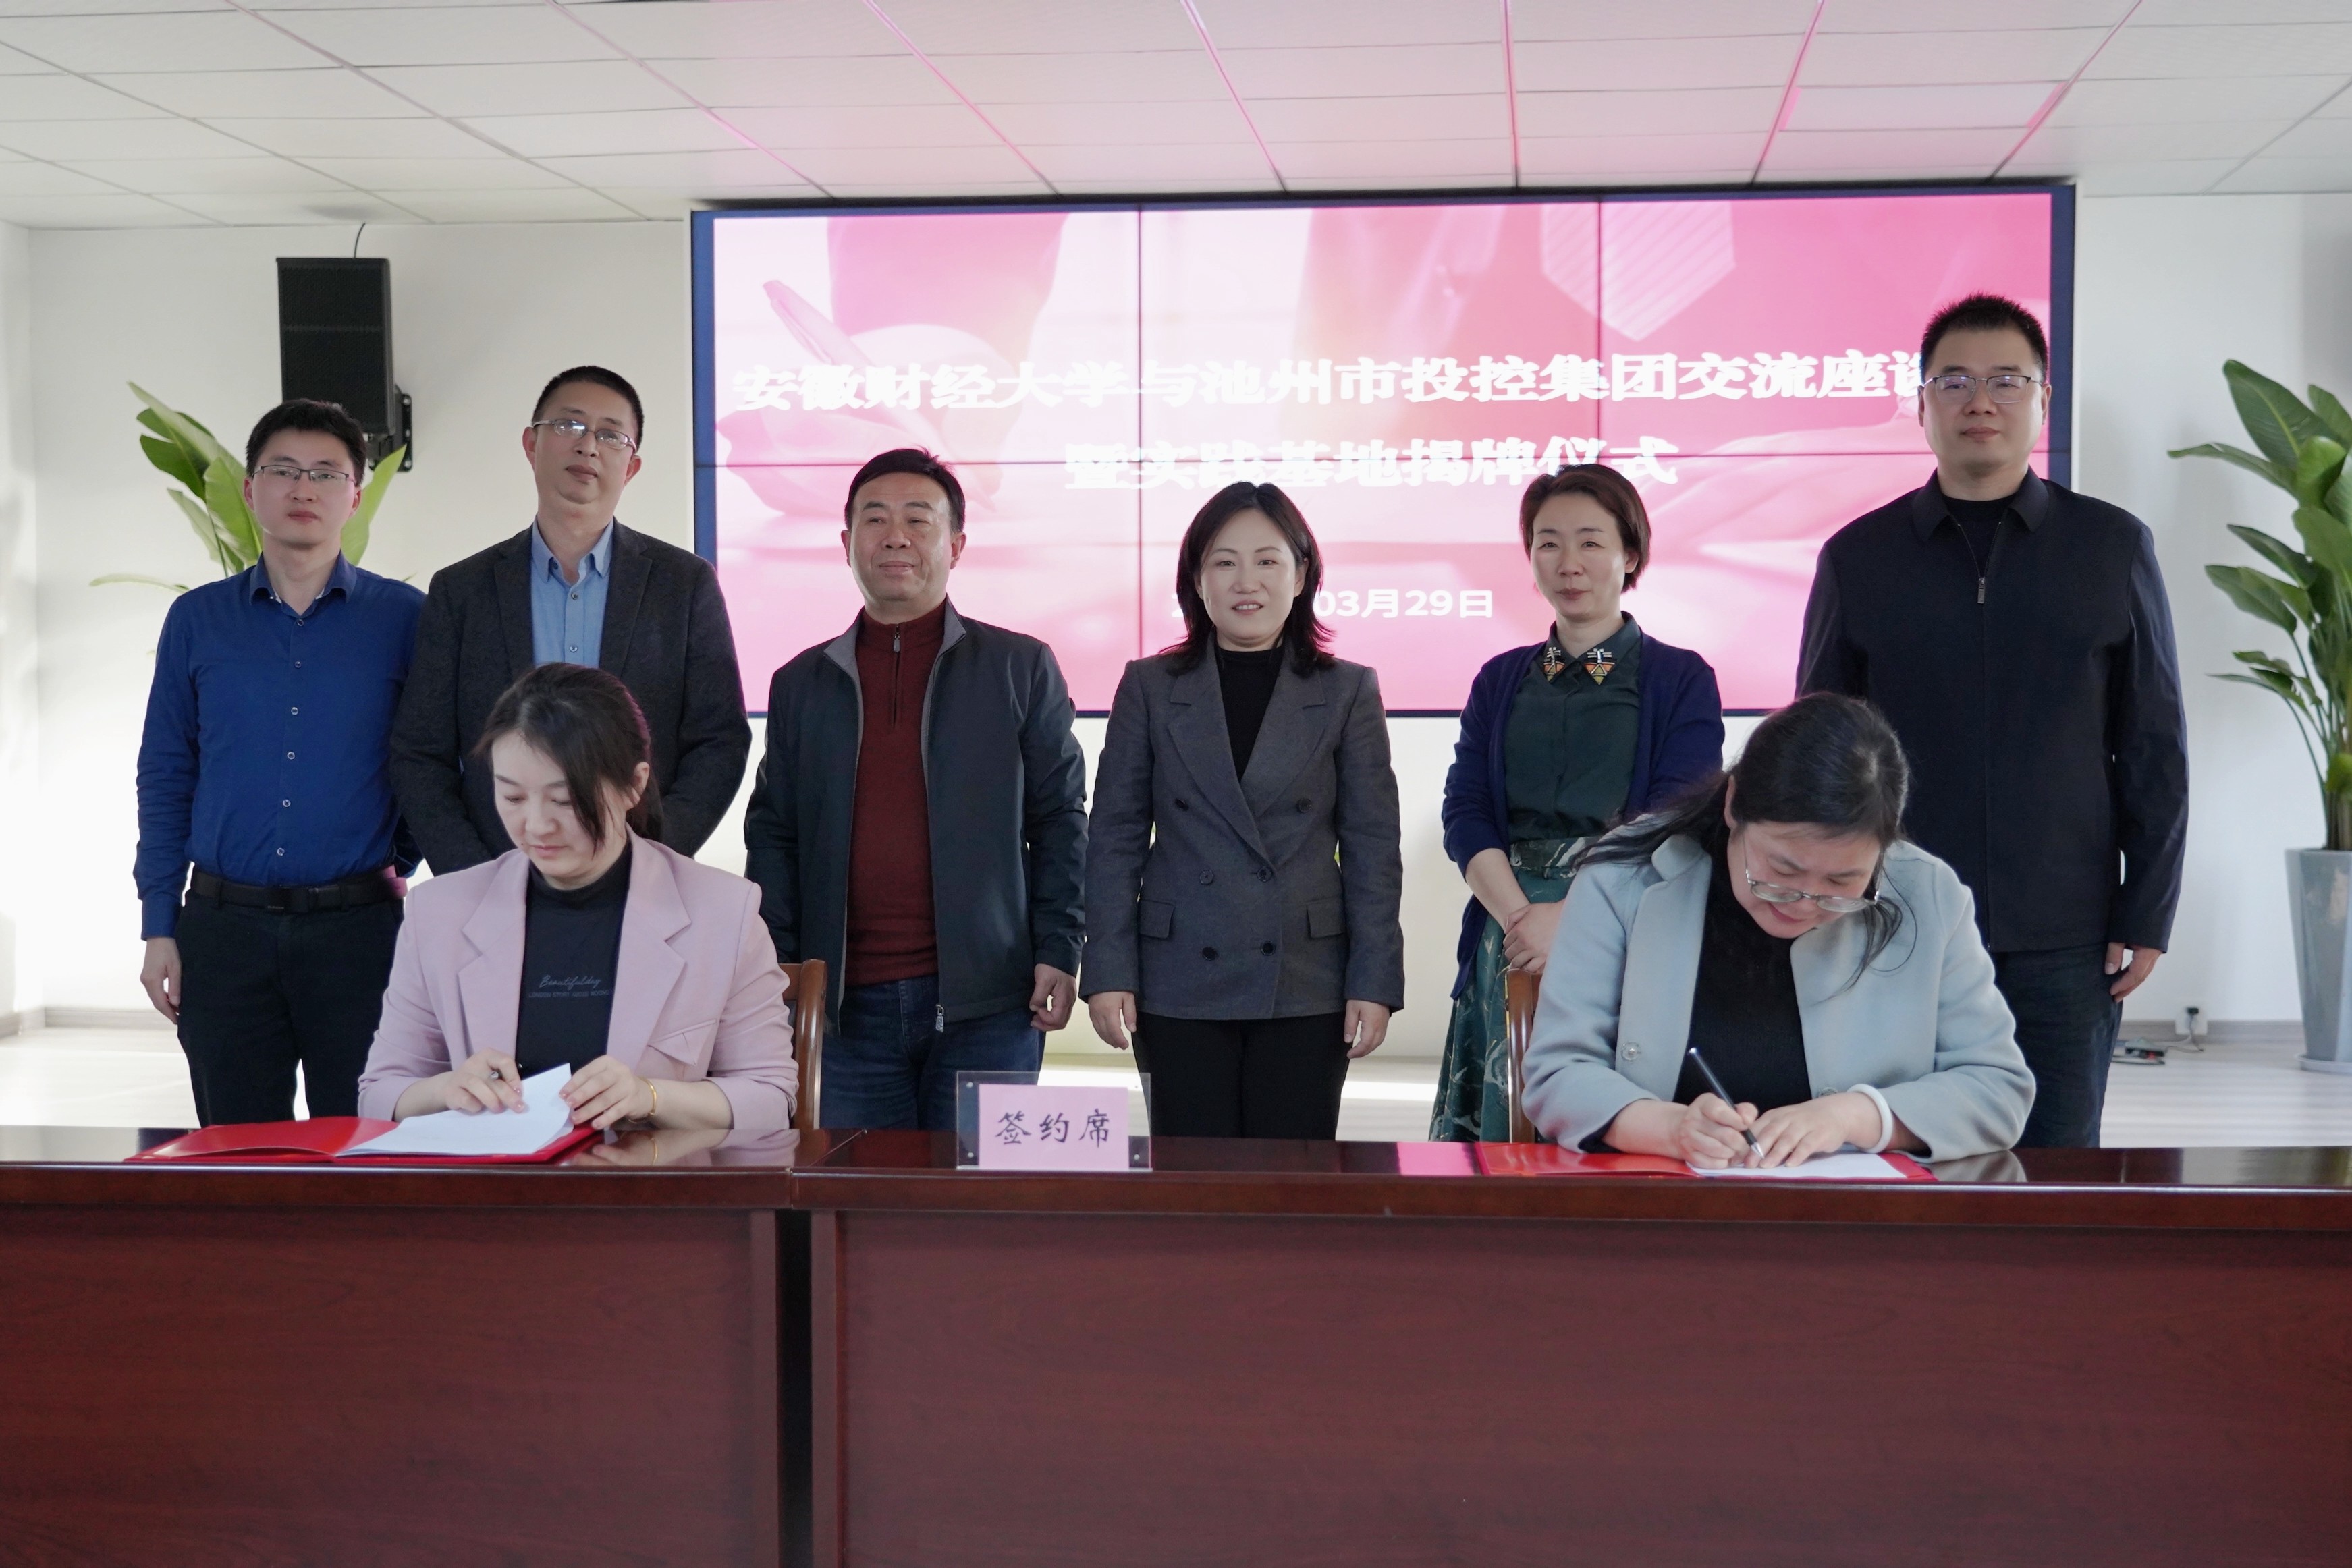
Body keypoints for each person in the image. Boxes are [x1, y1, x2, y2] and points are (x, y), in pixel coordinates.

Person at [1798, 293, 2187, 1148]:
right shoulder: (1857, 557)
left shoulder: (2110, 546)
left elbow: (2153, 745)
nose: (1980, 401)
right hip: (1892, 921)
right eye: (1955, 381)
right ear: (1921, 403)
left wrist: (2146, 908)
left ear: (2042, 400)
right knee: (1899, 1156)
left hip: (2065, 930)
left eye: (2006, 380)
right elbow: (1818, 747)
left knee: (2055, 1167)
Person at [1520, 692, 2033, 1165]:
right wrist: (1670, 1128)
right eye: (1781, 871)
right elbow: (1558, 1073)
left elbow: (1997, 1088)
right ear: (1733, 805)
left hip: (1861, 1217)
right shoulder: (1624, 877)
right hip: (1666, 1201)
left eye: (1841, 882)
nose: (1805, 903)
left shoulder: (1928, 894)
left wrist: (1854, 1117)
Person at [742, 448, 1087, 1131]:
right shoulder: (801, 683)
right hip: (842, 1011)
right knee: (851, 1191)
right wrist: (777, 966)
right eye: (875, 519)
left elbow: (1059, 820)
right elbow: (774, 833)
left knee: (977, 1191)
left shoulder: (1020, 667)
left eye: (917, 519)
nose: (894, 536)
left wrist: (1060, 946)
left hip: (992, 1003)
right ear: (847, 543)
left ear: (955, 545)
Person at [1082, 482, 1405, 1140]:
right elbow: (1114, 836)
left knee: (1293, 1177)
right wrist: (1107, 969)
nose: (1245, 581)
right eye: (1224, 562)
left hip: (1305, 976)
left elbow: (1372, 848)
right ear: (1196, 579)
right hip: (1176, 975)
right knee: (1190, 1175)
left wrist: (1373, 979)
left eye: (1266, 560)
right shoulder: (1149, 686)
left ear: (1301, 575)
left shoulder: (1346, 689)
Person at [134, 399, 424, 1126]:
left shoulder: (405, 618)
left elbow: (429, 761)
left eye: (326, 473)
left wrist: (392, 864)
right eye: (283, 470)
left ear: (354, 494)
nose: (303, 488)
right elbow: (166, 774)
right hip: (223, 933)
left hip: (359, 936)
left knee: (364, 1147)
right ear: (249, 488)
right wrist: (159, 923)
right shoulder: (198, 620)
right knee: (237, 1155)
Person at [358, 663, 795, 1131]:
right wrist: (446, 1090)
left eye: (565, 801)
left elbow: (771, 1098)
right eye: (512, 798)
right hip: (497, 1177)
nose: (536, 825)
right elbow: (380, 1093)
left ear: (634, 785)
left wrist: (650, 1096)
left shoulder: (722, 913)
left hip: (651, 1175)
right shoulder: (440, 912)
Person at [1431, 464, 1723, 1142]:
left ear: (1630, 554)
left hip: (1623, 925)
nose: (1568, 563)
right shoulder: (1498, 678)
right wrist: (1521, 921)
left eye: (1590, 541)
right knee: (1502, 1144)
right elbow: (1465, 811)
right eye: (1548, 542)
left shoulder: (1680, 677)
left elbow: (1675, 818)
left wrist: (1573, 919)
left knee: (1609, 1128)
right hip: (1508, 933)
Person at [390, 365, 750, 874]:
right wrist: (477, 876)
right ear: (531, 444)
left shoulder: (684, 585)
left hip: (641, 881)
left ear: (631, 466)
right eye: (569, 425)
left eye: (610, 435)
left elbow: (719, 740)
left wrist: (650, 860)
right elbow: (420, 753)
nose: (588, 447)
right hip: (496, 876)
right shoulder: (462, 591)